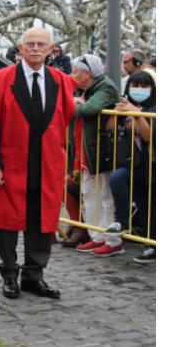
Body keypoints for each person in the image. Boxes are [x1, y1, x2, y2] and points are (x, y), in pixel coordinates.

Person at [0, 27, 76, 300]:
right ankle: (10, 274)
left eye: (41, 44)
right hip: (10, 162)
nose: (35, 48)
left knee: (42, 221)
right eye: (30, 44)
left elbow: (64, 121)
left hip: (47, 163)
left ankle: (35, 276)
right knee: (8, 222)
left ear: (51, 50)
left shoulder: (61, 81)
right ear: (20, 48)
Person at [69, 53, 122, 257]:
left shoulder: (105, 87)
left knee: (106, 197)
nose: (73, 75)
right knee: (89, 194)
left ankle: (112, 240)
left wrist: (76, 103)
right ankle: (96, 236)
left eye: (76, 71)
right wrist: (77, 102)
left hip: (103, 150)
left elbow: (88, 110)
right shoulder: (87, 88)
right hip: (88, 152)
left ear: (87, 73)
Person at [104, 71, 157, 264]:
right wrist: (118, 111)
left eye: (144, 86)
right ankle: (124, 222)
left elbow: (148, 136)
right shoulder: (126, 105)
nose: (139, 89)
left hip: (152, 164)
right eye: (135, 85)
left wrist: (135, 112)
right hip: (133, 163)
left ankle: (151, 245)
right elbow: (110, 129)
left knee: (150, 207)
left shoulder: (153, 108)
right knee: (142, 203)